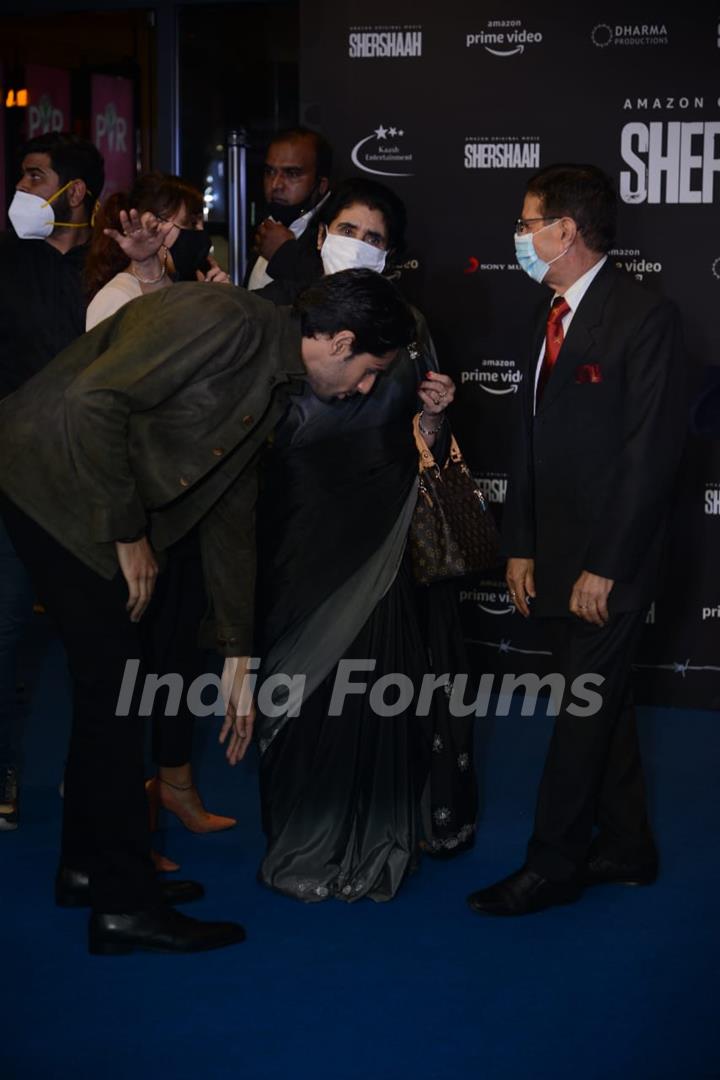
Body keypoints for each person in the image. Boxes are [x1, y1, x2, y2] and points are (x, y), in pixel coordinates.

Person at [0, 269, 416, 953]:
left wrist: (237, 654)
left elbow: (230, 512)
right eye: (371, 369)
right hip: (51, 484)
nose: (367, 387)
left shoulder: (277, 380)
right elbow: (91, 400)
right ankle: (123, 905)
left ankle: (89, 869)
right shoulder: (226, 320)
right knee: (120, 692)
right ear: (339, 342)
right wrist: (126, 531)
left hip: (73, 491)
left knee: (110, 690)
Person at [247, 178, 476, 901]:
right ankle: (303, 840)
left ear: (392, 253)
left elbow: (429, 442)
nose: (359, 243)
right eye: (349, 228)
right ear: (321, 234)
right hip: (292, 531)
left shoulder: (409, 325)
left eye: (376, 238)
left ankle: (375, 840)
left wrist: (437, 417)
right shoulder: (276, 319)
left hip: (382, 535)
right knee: (300, 693)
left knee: (373, 695)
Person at [467, 164, 686, 918]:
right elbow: (529, 440)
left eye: (529, 223)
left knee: (581, 710)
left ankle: (552, 862)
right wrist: (519, 544)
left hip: (607, 564)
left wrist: (605, 566)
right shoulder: (547, 312)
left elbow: (649, 455)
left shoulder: (644, 316)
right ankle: (627, 846)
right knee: (602, 702)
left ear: (566, 230)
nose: (520, 237)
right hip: (552, 556)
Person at [85, 173, 234, 848]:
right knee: (131, 664)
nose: (184, 235)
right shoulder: (115, 297)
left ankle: (174, 785)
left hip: (190, 499)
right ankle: (122, 812)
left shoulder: (194, 289)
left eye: (188, 223)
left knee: (177, 653)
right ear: (138, 226)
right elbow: (120, 406)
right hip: (137, 509)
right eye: (173, 223)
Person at [0, 132, 104, 831]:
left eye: (36, 177)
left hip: (90, 488)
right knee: (3, 633)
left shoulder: (108, 272)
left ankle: (91, 777)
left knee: (95, 644)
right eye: (22, 176)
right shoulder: (6, 262)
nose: (22, 190)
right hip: (10, 481)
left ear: (75, 193)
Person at [85, 171, 230, 330]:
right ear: (152, 225)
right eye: (191, 223)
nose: (200, 232)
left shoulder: (184, 287)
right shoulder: (117, 297)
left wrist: (222, 305)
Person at [246, 127, 332, 291]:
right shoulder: (269, 224)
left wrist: (285, 255)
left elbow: (334, 302)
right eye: (269, 171)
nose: (275, 184)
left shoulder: (337, 233)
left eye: (292, 173)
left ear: (321, 184)